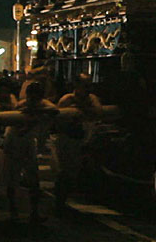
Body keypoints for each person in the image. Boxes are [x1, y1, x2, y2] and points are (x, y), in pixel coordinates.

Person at [2, 80, 57, 225]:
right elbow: (18, 129)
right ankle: (14, 212)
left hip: (27, 142)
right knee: (13, 179)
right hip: (15, 141)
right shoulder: (22, 106)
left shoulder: (42, 106)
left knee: (33, 179)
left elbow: (54, 110)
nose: (32, 100)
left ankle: (32, 212)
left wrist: (35, 113)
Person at [54, 74, 102, 212]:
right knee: (65, 172)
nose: (88, 89)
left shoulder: (91, 99)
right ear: (77, 86)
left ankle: (67, 199)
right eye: (85, 86)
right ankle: (60, 202)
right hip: (68, 140)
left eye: (89, 85)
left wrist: (82, 108)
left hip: (82, 139)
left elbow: (98, 111)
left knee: (77, 171)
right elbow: (58, 123)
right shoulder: (67, 100)